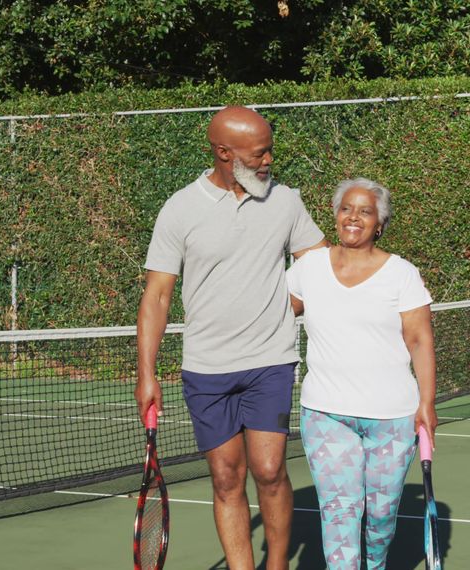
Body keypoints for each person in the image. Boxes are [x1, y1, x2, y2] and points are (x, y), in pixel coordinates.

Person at [134, 105, 326, 570]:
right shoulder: (180, 208)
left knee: (269, 471)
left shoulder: (286, 201)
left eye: (269, 152)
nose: (268, 162)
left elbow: (319, 267)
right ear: (224, 153)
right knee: (225, 477)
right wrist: (146, 374)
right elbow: (157, 296)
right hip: (207, 369)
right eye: (259, 154)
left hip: (271, 363)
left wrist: (287, 307)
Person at [286, 177, 438, 569]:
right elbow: (273, 313)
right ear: (336, 215)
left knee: (381, 517)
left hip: (393, 418)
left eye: (365, 211)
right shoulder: (308, 268)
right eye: (346, 209)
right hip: (325, 414)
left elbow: (420, 340)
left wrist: (427, 403)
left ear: (380, 224)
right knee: (339, 513)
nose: (354, 217)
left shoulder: (402, 273)